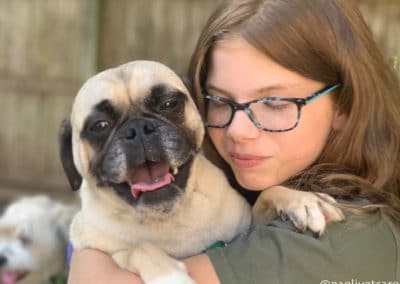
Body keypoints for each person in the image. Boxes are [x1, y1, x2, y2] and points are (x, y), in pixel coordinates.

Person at [68, 0, 400, 283]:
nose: (238, 130)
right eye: (220, 100)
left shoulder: (350, 238)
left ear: (344, 104)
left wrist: (92, 249)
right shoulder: (243, 184)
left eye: (274, 102)